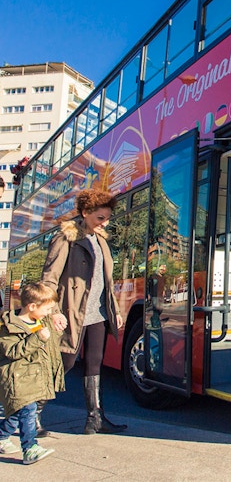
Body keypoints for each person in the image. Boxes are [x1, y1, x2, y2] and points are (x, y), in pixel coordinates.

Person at [41, 188, 127, 435]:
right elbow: (49, 278)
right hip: (71, 313)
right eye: (101, 217)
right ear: (85, 212)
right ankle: (31, 414)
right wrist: (54, 311)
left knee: (94, 364)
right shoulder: (66, 238)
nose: (105, 222)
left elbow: (105, 281)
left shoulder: (101, 241)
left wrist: (115, 310)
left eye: (108, 217)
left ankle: (95, 419)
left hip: (98, 314)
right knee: (63, 363)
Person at [0, 282, 64, 465]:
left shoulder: (39, 322)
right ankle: (30, 448)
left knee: (15, 413)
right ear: (32, 306)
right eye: (47, 309)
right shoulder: (8, 326)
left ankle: (1, 435)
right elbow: (13, 351)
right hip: (17, 379)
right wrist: (37, 338)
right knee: (28, 411)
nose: (49, 312)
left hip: (33, 379)